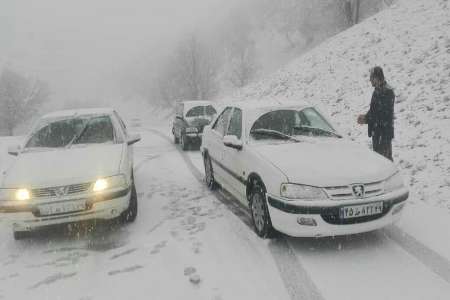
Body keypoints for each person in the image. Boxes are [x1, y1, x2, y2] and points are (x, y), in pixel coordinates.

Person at [357, 66, 395, 161]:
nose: (370, 81)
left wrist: (366, 119)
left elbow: (383, 115)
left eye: (371, 78)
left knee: (385, 162)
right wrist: (365, 117)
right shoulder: (377, 91)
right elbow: (374, 110)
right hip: (377, 133)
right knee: (379, 161)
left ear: (377, 78)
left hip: (384, 134)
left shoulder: (388, 92)